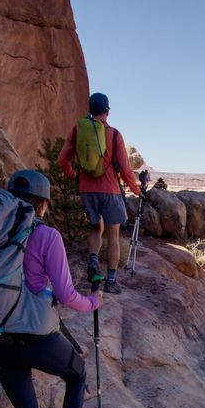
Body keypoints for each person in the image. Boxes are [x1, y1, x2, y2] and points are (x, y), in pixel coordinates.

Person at [0, 169, 102, 408]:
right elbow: (68, 296)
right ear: (41, 205)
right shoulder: (46, 236)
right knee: (77, 374)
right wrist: (95, 301)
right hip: (35, 337)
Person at [57, 92, 143, 294]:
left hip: (87, 191)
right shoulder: (113, 134)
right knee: (113, 236)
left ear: (90, 109)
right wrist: (136, 190)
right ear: (107, 111)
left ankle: (93, 262)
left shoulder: (78, 130)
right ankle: (111, 281)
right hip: (110, 191)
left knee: (96, 229)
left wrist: (75, 176)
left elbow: (62, 160)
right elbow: (124, 168)